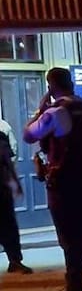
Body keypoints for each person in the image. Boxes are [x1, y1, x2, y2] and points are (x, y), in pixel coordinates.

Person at [23, 67, 82, 291]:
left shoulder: (57, 112)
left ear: (51, 86)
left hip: (63, 180)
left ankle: (75, 286)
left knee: (69, 236)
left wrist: (40, 109)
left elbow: (28, 135)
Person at [0, 116, 33, 274]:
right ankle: (14, 260)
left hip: (1, 187)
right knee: (8, 225)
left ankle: (14, 260)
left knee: (8, 225)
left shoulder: (2, 132)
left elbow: (6, 159)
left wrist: (15, 181)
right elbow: (6, 159)